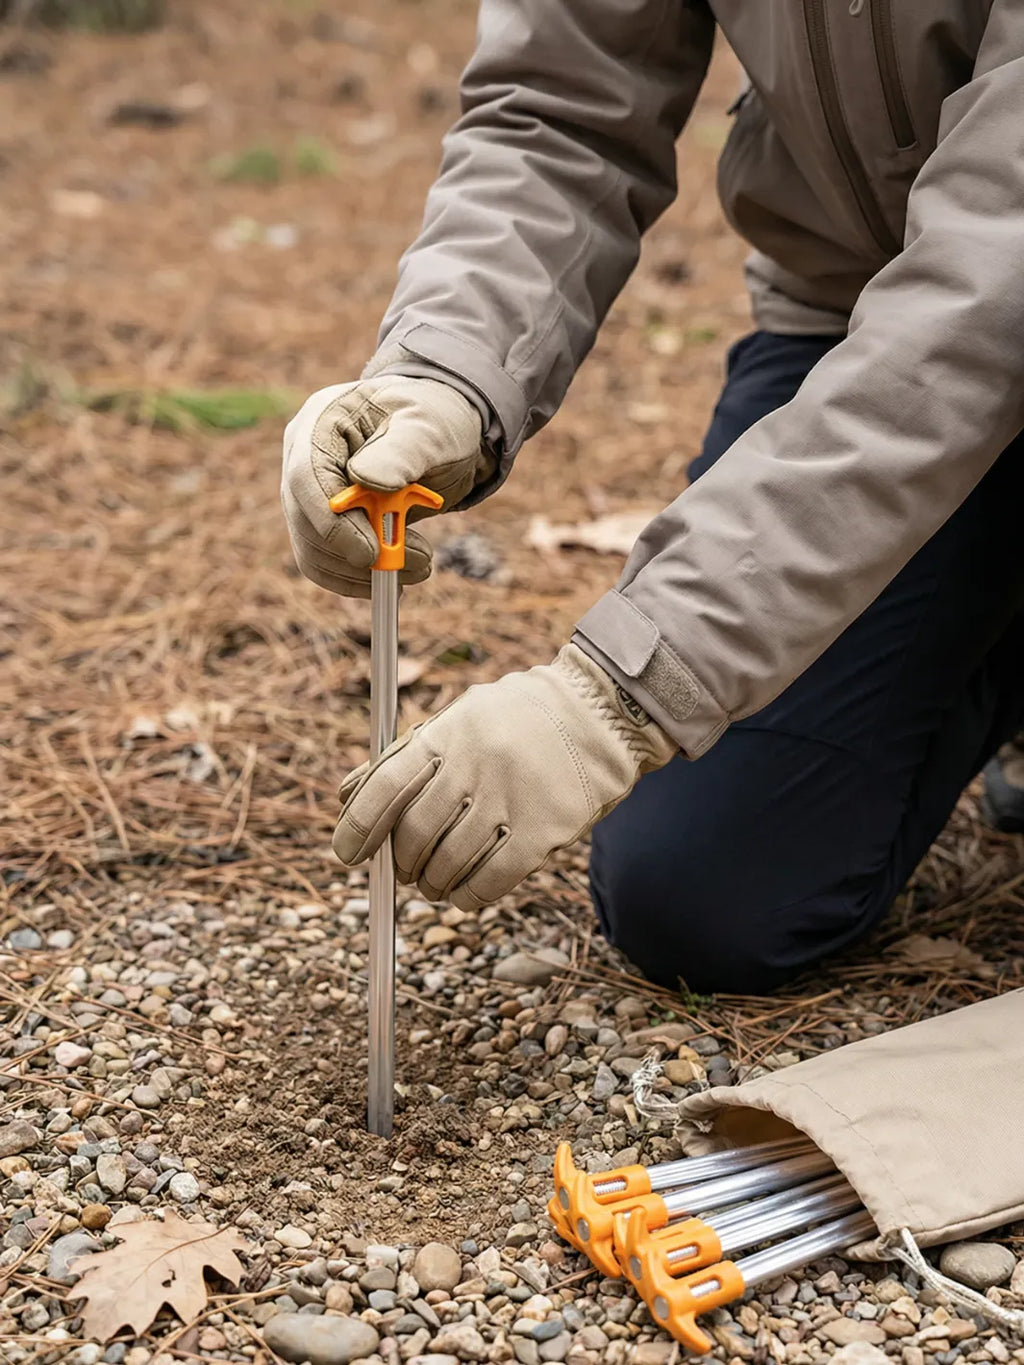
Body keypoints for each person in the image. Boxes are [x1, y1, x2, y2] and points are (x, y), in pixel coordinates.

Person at [281, 0, 1024, 995]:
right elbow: (557, 103)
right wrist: (444, 371)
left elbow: (990, 290)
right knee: (703, 890)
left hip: (987, 308)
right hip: (854, 322)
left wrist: (620, 692)